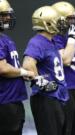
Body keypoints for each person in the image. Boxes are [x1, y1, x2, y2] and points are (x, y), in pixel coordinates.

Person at [22, 6, 69, 135]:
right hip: (45, 99)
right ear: (47, 23)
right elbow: (28, 64)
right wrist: (41, 82)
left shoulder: (52, 41)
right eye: (58, 20)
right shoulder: (37, 42)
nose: (61, 24)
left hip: (56, 98)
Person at [0, 0, 35, 134]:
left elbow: (11, 66)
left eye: (8, 14)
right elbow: (2, 68)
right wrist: (22, 71)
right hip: (4, 102)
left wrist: (22, 73)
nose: (8, 18)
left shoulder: (6, 39)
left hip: (13, 100)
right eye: (3, 15)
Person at [52, 1, 75, 135]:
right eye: (70, 18)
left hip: (74, 89)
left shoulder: (68, 37)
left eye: (74, 17)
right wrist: (71, 38)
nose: (73, 21)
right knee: (66, 130)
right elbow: (65, 60)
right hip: (65, 90)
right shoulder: (56, 38)